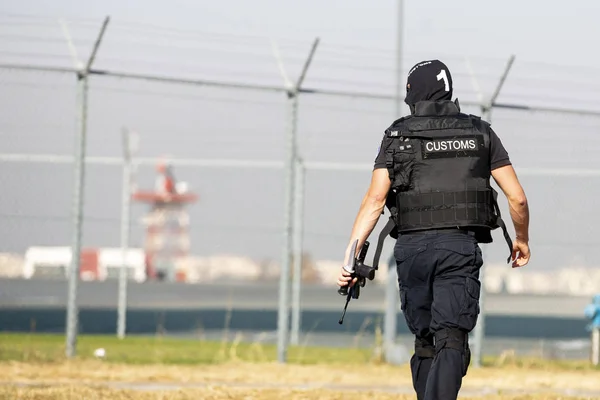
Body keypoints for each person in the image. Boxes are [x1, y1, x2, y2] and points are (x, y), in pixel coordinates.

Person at [337, 59, 530, 400]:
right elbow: (516, 198)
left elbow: (374, 200)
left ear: (412, 94)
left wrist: (351, 260)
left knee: (426, 341)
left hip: (412, 251)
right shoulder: (480, 132)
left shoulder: (397, 134)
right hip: (459, 248)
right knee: (452, 339)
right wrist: (521, 239)